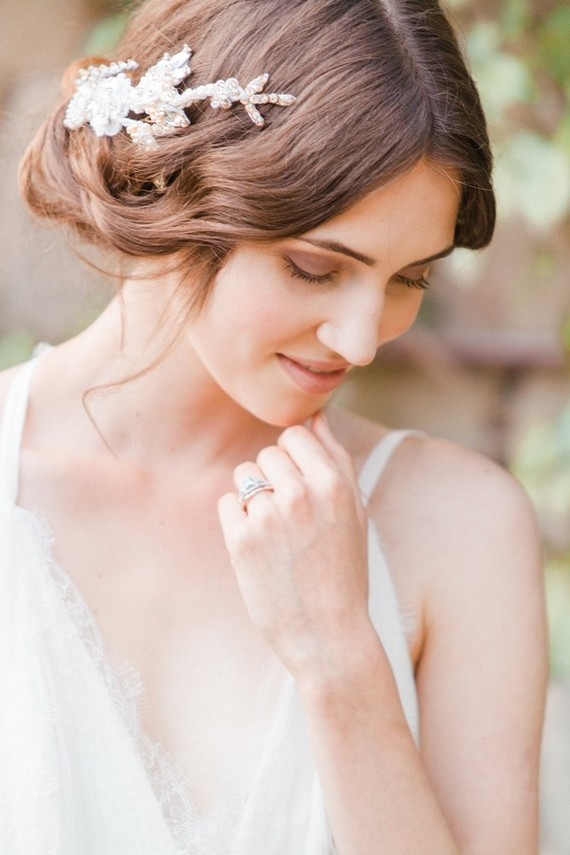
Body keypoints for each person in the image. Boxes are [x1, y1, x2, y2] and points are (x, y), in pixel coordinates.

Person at [0, 0, 547, 852]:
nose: (364, 339)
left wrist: (340, 658)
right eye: (316, 268)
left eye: (411, 278)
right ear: (165, 185)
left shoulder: (459, 527)